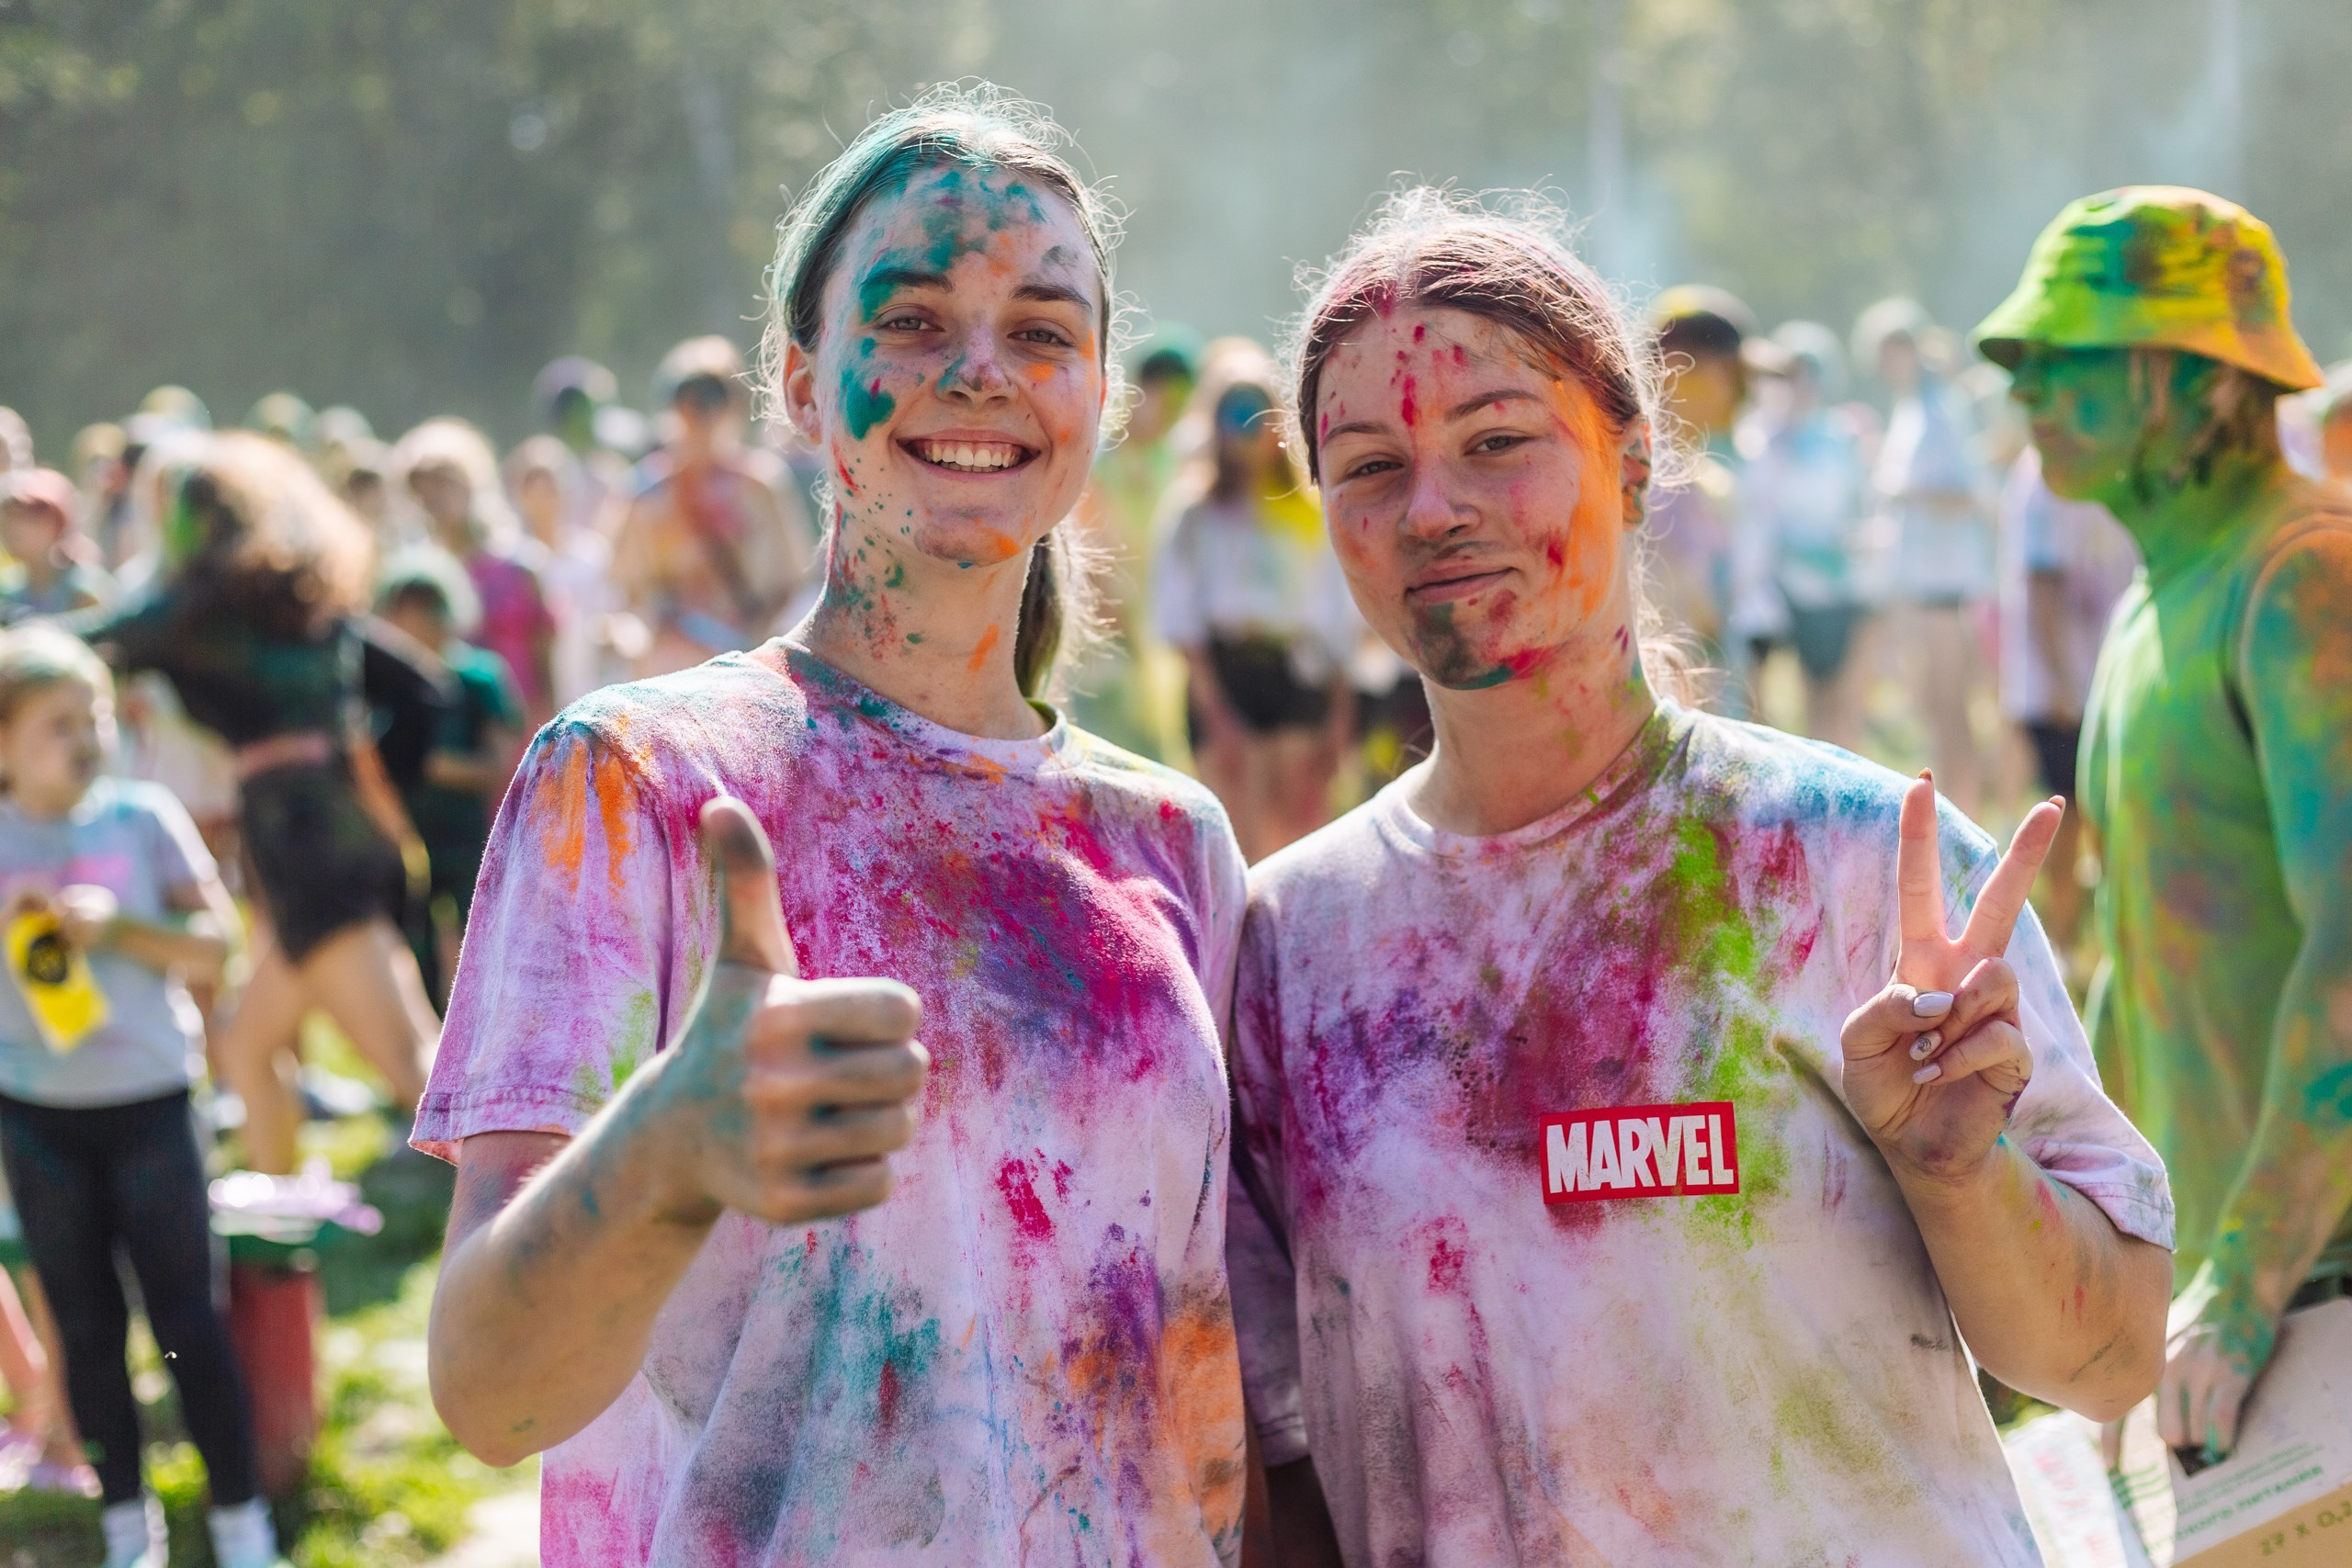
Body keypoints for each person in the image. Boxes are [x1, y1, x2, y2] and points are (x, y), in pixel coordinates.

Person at [1228, 190, 2173, 1565]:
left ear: (1630, 452)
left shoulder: (1845, 860)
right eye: (1368, 466)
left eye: (1498, 440)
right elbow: (1286, 1469)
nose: (1432, 508)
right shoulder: (1288, 950)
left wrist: (1962, 1172)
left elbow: (2110, 1356)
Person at [421, 85, 1250, 1565]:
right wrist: (666, 1146)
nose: (983, 370)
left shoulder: (1173, 842)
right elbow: (488, 1390)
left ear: (1100, 402)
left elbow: (1207, 1391)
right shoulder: (636, 779)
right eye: (916, 320)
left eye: (1044, 332)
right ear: (804, 385)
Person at [1979, 186, 2352, 1463]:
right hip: (2230, 1321)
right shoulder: (2157, 602)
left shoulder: (2305, 579)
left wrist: (2243, 1284)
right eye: (2019, 358)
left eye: (2066, 354)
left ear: (2197, 379)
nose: (2024, 385)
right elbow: (2143, 977)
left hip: (2314, 1300)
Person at [62, 433, 447, 1175]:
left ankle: (538, 1221)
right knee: (245, 1046)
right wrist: (359, 768)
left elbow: (88, 644)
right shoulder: (305, 599)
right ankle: (279, 1230)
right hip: (337, 833)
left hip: (307, 850)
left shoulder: (200, 611)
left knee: (412, 1067)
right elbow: (426, 690)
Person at [0, 626, 288, 1568]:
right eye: (55, 725)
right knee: (85, 1326)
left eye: (93, 718)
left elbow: (219, 945)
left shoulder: (142, 816)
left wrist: (119, 928)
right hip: (38, 1116)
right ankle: (129, 1525)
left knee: (186, 1322)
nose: (85, 740)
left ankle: (242, 1519)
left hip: (153, 1103)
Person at [1156, 351, 1360, 861]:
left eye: (1258, 417)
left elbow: (1337, 622)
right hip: (1226, 672)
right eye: (1234, 416)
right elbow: (1182, 625)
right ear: (1215, 426)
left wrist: (1340, 714)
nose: (1247, 431)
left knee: (1295, 835)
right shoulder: (1195, 515)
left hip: (1295, 674)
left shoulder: (1310, 512)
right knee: (1235, 840)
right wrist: (1215, 709)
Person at [1993, 444, 2138, 960]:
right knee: (2065, 813)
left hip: (2099, 676)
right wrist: (2059, 682)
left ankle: (2088, 940)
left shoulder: (2107, 463)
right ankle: (2060, 942)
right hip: (2066, 688)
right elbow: (2043, 583)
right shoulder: (2045, 477)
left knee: (2101, 809)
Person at [1860, 299, 1996, 815]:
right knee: (1932, 709)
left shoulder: (1943, 410)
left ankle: (1970, 818)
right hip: (1916, 584)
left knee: (1951, 708)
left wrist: (1907, 494)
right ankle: (1953, 816)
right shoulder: (1911, 408)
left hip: (1947, 585)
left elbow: (1972, 494)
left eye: (1896, 349)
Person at [610, 335, 814, 678]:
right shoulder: (644, 493)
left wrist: (755, 629)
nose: (699, 412)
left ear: (732, 405)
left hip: (746, 664)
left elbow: (790, 579)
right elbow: (625, 589)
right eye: (687, 397)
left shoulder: (761, 485)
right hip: (670, 672)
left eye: (712, 396)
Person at [377, 552, 525, 1007]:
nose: (417, 621)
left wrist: (432, 764)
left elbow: (501, 763)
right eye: (405, 609)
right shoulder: (381, 679)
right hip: (402, 837)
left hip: (466, 839)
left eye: (427, 607)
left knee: (479, 946)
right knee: (415, 954)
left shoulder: (478, 676)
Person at [1730, 321, 1873, 749]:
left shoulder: (1839, 438)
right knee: (1751, 695)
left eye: (1808, 374)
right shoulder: (1755, 437)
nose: (1800, 386)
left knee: (1826, 696)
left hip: (1825, 588)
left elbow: (1857, 505)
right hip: (1762, 588)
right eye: (1790, 375)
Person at [1070, 331, 1201, 758]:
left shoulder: (1179, 463)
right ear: (1145, 389)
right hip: (1107, 652)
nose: (1175, 415)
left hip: (1162, 650)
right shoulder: (1096, 461)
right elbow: (1089, 561)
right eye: (1172, 400)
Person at [395, 418, 559, 733]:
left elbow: (547, 663)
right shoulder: (418, 580)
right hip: (459, 737)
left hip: (526, 732)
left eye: (442, 482)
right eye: (421, 488)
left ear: (471, 481)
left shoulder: (520, 566)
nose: (432, 498)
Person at [1643, 286, 1754, 701]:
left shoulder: (1695, 473)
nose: (1742, 395)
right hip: (1684, 690)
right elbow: (1692, 606)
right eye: (1733, 375)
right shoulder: (1659, 476)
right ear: (1677, 369)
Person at [504, 434, 617, 707]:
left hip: (590, 687)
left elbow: (609, 612)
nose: (545, 499)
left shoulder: (592, 553)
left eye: (552, 488)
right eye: (536, 489)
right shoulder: (512, 559)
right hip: (534, 693)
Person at [0, 468, 116, 616]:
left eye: (21, 515)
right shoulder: (8, 590)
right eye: (6, 517)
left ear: (54, 523)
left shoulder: (87, 589)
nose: (10, 527)